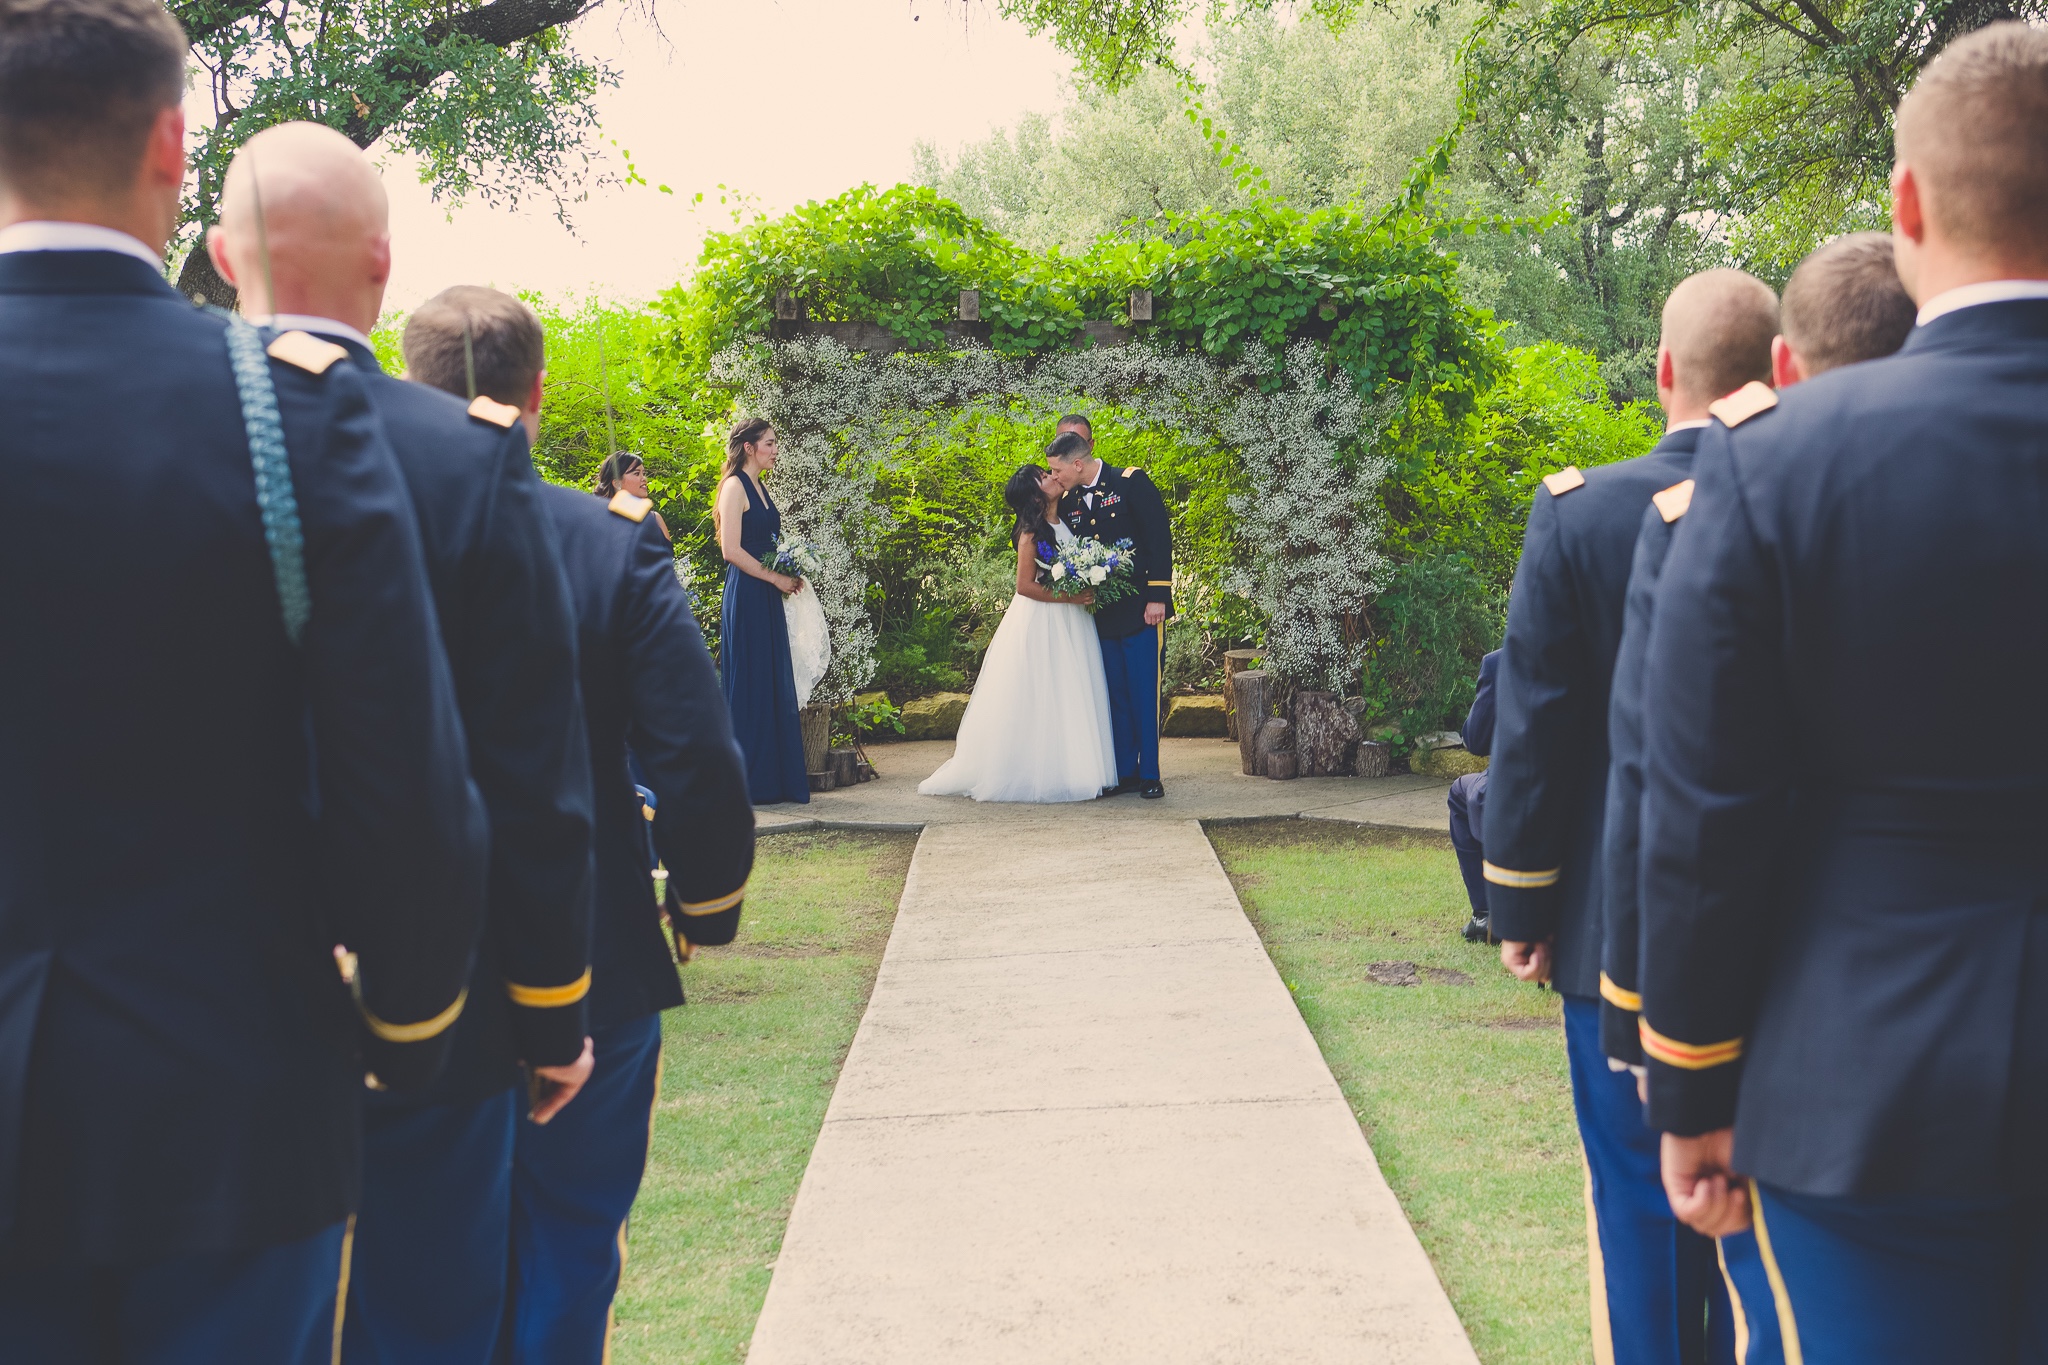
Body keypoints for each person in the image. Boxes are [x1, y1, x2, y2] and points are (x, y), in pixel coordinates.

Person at [0, 2, 487, 1360]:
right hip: (235, 1108)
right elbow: (405, 778)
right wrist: (406, 1022)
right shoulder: (288, 406)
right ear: (171, 144)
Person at [1637, 25, 2048, 1361]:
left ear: (1910, 205)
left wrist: (1690, 1083)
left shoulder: (1774, 469)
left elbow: (1708, 814)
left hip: (1872, 1085)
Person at [204, 126, 601, 1364]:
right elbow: (533, 779)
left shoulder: (128, 430)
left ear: (222, 257)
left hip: (194, 997)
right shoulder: (466, 459)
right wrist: (549, 1008)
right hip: (444, 994)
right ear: (384, 265)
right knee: (425, 1321)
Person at [406, 287, 756, 1365]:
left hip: (405, 956)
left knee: (420, 1271)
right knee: (570, 1250)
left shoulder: (350, 523)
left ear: (407, 387)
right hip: (594, 947)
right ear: (540, 392)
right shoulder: (603, 541)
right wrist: (704, 904)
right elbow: (694, 752)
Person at [1597, 232, 1915, 1365]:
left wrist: (1675, 1061)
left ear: (1788, 367)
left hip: (1829, 1049)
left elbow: (1682, 799)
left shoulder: (1735, 490)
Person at [1485, 267, 1780, 1365]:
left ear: (1661, 372)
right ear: (1778, 371)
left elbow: (1537, 729)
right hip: (1788, 939)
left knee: (1642, 1222)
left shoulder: (1582, 511)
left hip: (1615, 939)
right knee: (1774, 1243)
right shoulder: (1820, 496)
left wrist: (1520, 899)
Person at [919, 462, 1119, 802]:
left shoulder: (1064, 520)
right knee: (1044, 692)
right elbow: (1024, 586)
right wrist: (1071, 595)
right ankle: (1037, 772)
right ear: (1034, 496)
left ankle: (1077, 769)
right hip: (1044, 619)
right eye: (1045, 477)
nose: (1054, 476)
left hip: (1072, 620)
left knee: (1071, 690)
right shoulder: (1031, 533)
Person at [1048, 417, 1175, 799]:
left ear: (1077, 464)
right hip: (1100, 614)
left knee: (1142, 692)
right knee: (1113, 695)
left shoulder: (1130, 481)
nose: (1055, 478)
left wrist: (1158, 596)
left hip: (1141, 609)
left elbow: (1158, 537)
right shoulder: (1067, 502)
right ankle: (1124, 772)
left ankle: (1150, 774)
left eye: (1057, 471)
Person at [715, 418, 810, 805]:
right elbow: (731, 550)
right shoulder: (735, 486)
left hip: (767, 593)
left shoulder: (761, 487)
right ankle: (748, 782)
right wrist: (775, 578)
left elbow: (767, 543)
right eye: (769, 443)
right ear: (750, 447)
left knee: (770, 679)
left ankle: (775, 779)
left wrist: (789, 569)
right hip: (748, 593)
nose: (775, 449)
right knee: (750, 681)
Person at [1447, 649, 1499, 942]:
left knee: (1460, 793)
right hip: (1586, 785)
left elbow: (1476, 740)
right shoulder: (1599, 651)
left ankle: (1485, 914)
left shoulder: (1499, 662)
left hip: (1514, 782)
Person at [596, 450, 670, 540]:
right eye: (637, 473)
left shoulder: (655, 519)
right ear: (617, 483)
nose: (644, 479)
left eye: (644, 473)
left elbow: (667, 554)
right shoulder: (599, 521)